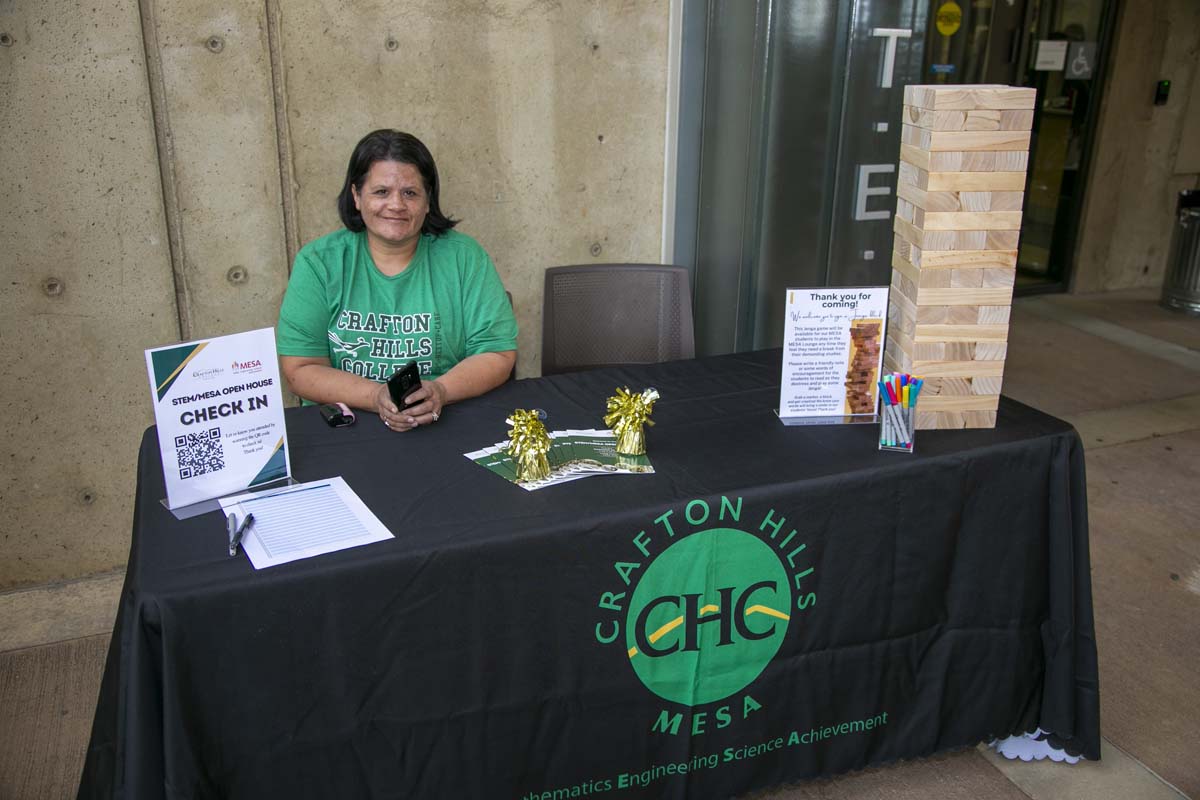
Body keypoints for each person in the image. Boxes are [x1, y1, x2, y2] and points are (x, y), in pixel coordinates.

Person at [277, 130, 518, 432]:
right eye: (381, 192)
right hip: (348, 426)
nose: (396, 205)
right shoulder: (319, 262)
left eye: (410, 193)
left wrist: (441, 391)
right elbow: (301, 368)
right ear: (356, 196)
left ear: (428, 201)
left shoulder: (464, 257)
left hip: (445, 419)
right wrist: (376, 396)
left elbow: (497, 353)